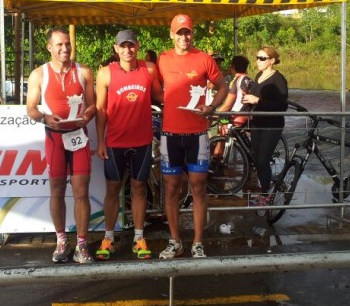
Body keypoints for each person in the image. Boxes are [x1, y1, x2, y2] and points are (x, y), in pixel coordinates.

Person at [157, 14, 228, 259]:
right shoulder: (163, 59)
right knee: (171, 189)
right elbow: (154, 88)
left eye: (187, 32)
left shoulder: (204, 58)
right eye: (179, 32)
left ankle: (198, 242)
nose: (184, 37)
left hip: (197, 135)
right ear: (171, 35)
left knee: (198, 188)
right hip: (169, 135)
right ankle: (175, 241)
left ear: (192, 33)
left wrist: (212, 107)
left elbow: (223, 86)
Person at [26, 27, 96, 264]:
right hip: (54, 137)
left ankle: (82, 245)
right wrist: (45, 118)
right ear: (49, 48)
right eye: (59, 45)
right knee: (56, 192)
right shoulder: (39, 74)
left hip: (78, 136)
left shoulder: (84, 71)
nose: (65, 48)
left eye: (67, 44)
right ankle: (61, 241)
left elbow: (93, 104)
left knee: (81, 192)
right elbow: (31, 109)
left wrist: (88, 115)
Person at [94, 29, 163, 261]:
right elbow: (100, 108)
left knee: (139, 188)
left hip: (142, 141)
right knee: (113, 189)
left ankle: (139, 238)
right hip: (115, 142)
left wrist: (190, 95)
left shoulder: (149, 69)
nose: (127, 50)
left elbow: (160, 96)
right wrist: (100, 140)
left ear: (138, 46)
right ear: (116, 48)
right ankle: (108, 238)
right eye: (123, 46)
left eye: (131, 45)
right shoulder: (105, 73)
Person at [242, 46, 289, 213]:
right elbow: (253, 98)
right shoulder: (259, 76)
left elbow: (282, 105)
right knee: (256, 158)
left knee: (263, 160)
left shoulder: (278, 79)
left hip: (272, 124)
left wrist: (257, 101)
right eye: (257, 57)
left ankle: (266, 195)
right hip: (257, 123)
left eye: (262, 58)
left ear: (272, 61)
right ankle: (265, 191)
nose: (258, 61)